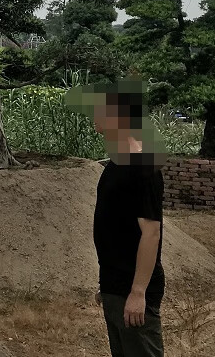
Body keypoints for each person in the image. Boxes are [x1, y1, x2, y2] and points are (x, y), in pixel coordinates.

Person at [92, 88, 165, 357]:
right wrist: (108, 285)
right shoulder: (115, 165)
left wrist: (137, 291)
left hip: (132, 289)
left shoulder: (143, 166)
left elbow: (151, 233)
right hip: (115, 285)